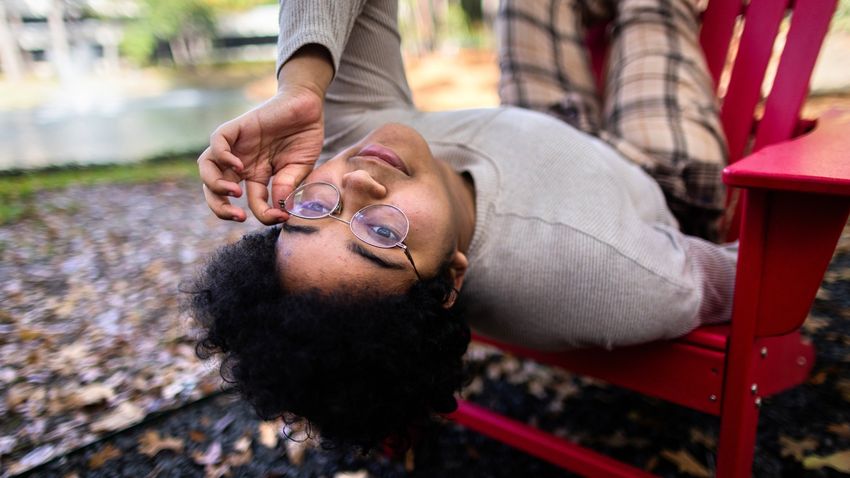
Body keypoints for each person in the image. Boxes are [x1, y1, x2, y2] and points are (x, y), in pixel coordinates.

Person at [190, 0, 737, 451]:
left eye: (311, 212)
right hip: (657, 179)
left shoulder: (354, 142)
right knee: (651, 9)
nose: (358, 185)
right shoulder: (611, 268)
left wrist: (299, 89)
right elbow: (743, 279)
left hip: (554, 129)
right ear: (452, 279)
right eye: (381, 234)